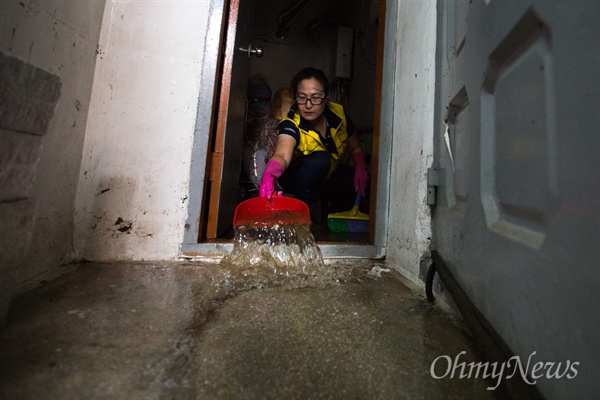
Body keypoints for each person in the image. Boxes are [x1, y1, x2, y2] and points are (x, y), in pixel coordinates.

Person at [258, 67, 369, 223]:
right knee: (320, 160)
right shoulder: (291, 123)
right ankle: (305, 208)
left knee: (359, 183)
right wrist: (269, 175)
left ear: (326, 97)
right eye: (302, 98)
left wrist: (361, 168)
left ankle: (329, 210)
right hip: (298, 178)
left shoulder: (338, 114)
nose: (308, 105)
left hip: (326, 175)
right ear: (295, 98)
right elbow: (282, 154)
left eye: (315, 98)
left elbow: (355, 145)